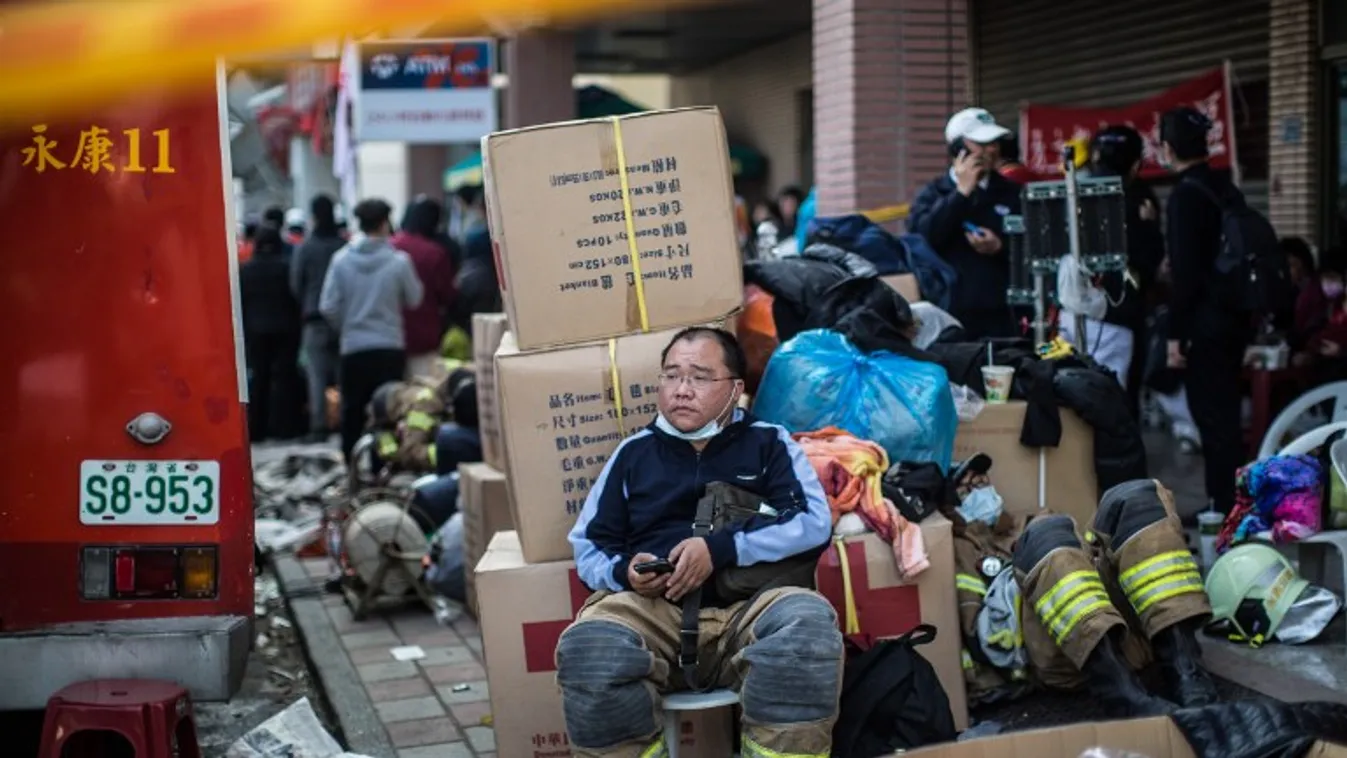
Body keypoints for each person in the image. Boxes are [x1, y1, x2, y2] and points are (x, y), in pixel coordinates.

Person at [556, 327, 842, 758]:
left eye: (700, 377)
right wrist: (626, 572)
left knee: (807, 627)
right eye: (671, 376)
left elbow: (812, 520)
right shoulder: (633, 454)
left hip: (750, 608)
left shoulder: (769, 443)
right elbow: (590, 546)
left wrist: (721, 549)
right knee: (593, 649)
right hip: (653, 614)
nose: (682, 390)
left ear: (735, 390)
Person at [950, 460, 1218, 717]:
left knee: (1133, 498)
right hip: (1060, 651)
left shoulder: (1027, 520)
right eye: (968, 488)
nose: (980, 490)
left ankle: (1186, 669)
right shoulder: (958, 547)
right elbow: (977, 636)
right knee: (1046, 533)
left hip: (1125, 632)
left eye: (982, 481)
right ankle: (1123, 696)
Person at [1160, 106, 1251, 513]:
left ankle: (1224, 509)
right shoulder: (1226, 186)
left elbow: (1187, 275)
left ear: (1166, 148)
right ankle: (1230, 501)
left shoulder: (1184, 196)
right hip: (1235, 320)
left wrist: (1175, 335)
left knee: (1213, 422)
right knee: (1226, 419)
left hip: (1205, 325)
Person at [1060, 125, 1166, 410]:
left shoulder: (1072, 192)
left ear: (1094, 157)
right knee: (1117, 399)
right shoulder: (1139, 198)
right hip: (1122, 315)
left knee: (1071, 391)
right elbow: (1153, 258)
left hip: (1069, 313)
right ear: (1135, 165)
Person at [319, 198, 425, 461]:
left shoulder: (340, 260)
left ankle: (351, 466)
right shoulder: (399, 262)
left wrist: (348, 326)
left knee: (352, 411)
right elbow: (415, 298)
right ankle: (382, 466)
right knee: (387, 410)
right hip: (389, 346)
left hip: (354, 347)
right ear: (383, 223)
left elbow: (327, 306)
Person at [908, 108, 1024, 339]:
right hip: (952, 309)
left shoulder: (1012, 192)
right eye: (982, 143)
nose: (992, 150)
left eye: (995, 143)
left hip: (1003, 310)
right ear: (958, 149)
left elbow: (1033, 246)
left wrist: (1000, 247)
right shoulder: (933, 194)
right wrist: (961, 193)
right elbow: (925, 239)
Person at [239, 224, 303, 442]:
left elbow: (241, 302)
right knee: (285, 379)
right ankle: (285, 427)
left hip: (255, 330)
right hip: (286, 329)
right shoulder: (287, 267)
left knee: (259, 378)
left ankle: (256, 429)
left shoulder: (246, 270)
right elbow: (296, 297)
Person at [291, 195, 347, 442]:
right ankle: (344, 419)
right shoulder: (341, 246)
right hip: (343, 319)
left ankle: (319, 425)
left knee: (316, 374)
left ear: (313, 217)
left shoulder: (306, 247)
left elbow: (295, 283)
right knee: (342, 372)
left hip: (314, 318)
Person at [393, 198, 458, 378]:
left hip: (389, 337)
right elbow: (447, 295)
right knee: (422, 397)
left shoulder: (389, 248)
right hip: (424, 337)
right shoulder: (434, 253)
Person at [1282, 237, 1328, 363]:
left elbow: (1317, 327)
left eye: (1290, 265)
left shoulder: (1317, 291)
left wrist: (1309, 353)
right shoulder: (1292, 291)